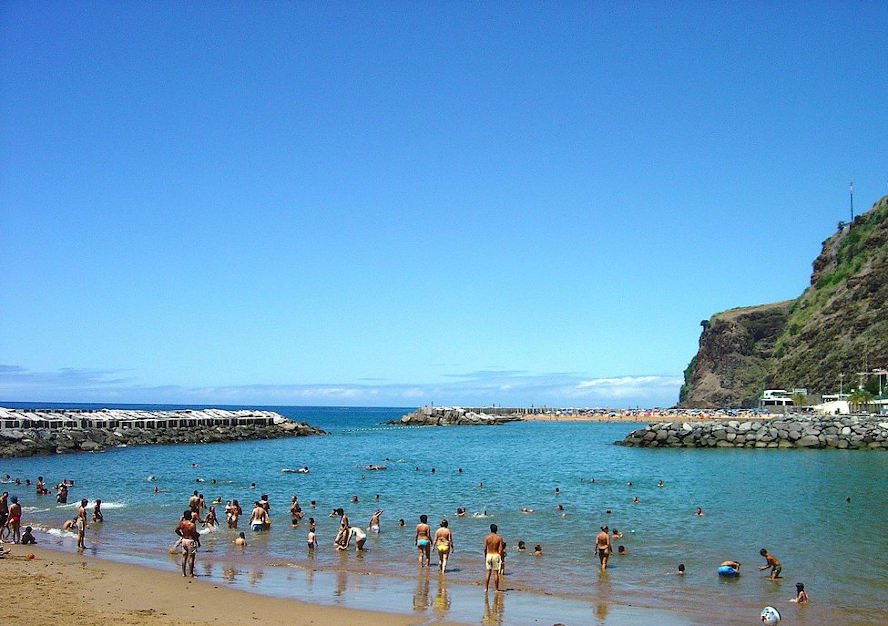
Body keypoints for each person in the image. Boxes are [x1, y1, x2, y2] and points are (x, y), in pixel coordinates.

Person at [175, 509, 200, 577]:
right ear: (190, 516)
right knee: (191, 557)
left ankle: (183, 573)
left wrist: (181, 535)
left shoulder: (182, 523)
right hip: (190, 541)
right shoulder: (192, 524)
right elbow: (194, 534)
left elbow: (176, 530)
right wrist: (197, 536)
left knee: (184, 557)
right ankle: (191, 573)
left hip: (184, 540)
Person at [483, 524, 504, 591]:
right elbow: (501, 549)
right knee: (495, 573)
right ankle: (496, 589)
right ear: (496, 529)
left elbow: (484, 548)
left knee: (488, 572)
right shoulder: (499, 538)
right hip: (495, 555)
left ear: (490, 529)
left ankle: (486, 588)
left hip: (489, 555)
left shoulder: (487, 537)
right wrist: (501, 557)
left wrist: (485, 555)